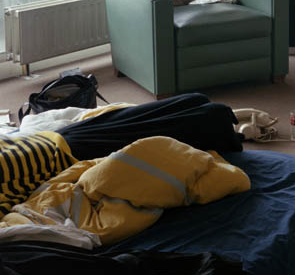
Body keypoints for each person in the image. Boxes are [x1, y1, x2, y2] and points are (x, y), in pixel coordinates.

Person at [0, 93, 242, 218]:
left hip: (55, 138)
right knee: (209, 117)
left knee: (193, 100)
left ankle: (206, 111)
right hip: (71, 156)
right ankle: (220, 124)